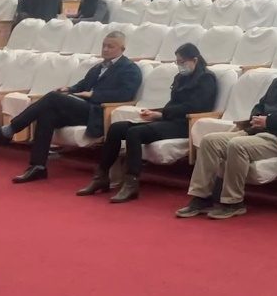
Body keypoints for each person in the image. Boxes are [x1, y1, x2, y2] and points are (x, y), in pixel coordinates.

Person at [177, 42, 277, 219]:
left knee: (237, 145)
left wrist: (269, 121)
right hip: (255, 131)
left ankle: (233, 202)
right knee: (209, 141)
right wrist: (256, 117)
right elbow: (260, 105)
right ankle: (201, 197)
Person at [0, 31, 143, 183]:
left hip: (99, 112)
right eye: (104, 45)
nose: (105, 49)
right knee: (47, 113)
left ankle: (8, 130)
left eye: (110, 46)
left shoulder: (130, 69)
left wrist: (93, 95)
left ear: (122, 49)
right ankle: (38, 166)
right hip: (83, 107)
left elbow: (125, 94)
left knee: (53, 98)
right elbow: (83, 85)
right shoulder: (99, 66)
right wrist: (69, 89)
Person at [79, 43, 219, 202]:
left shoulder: (206, 78)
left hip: (185, 124)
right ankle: (101, 176)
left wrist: (162, 114)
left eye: (182, 62)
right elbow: (173, 104)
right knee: (116, 128)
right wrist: (156, 112)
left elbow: (196, 107)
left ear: (195, 60)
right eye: (178, 62)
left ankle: (131, 183)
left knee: (135, 133)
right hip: (169, 119)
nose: (180, 65)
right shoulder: (181, 78)